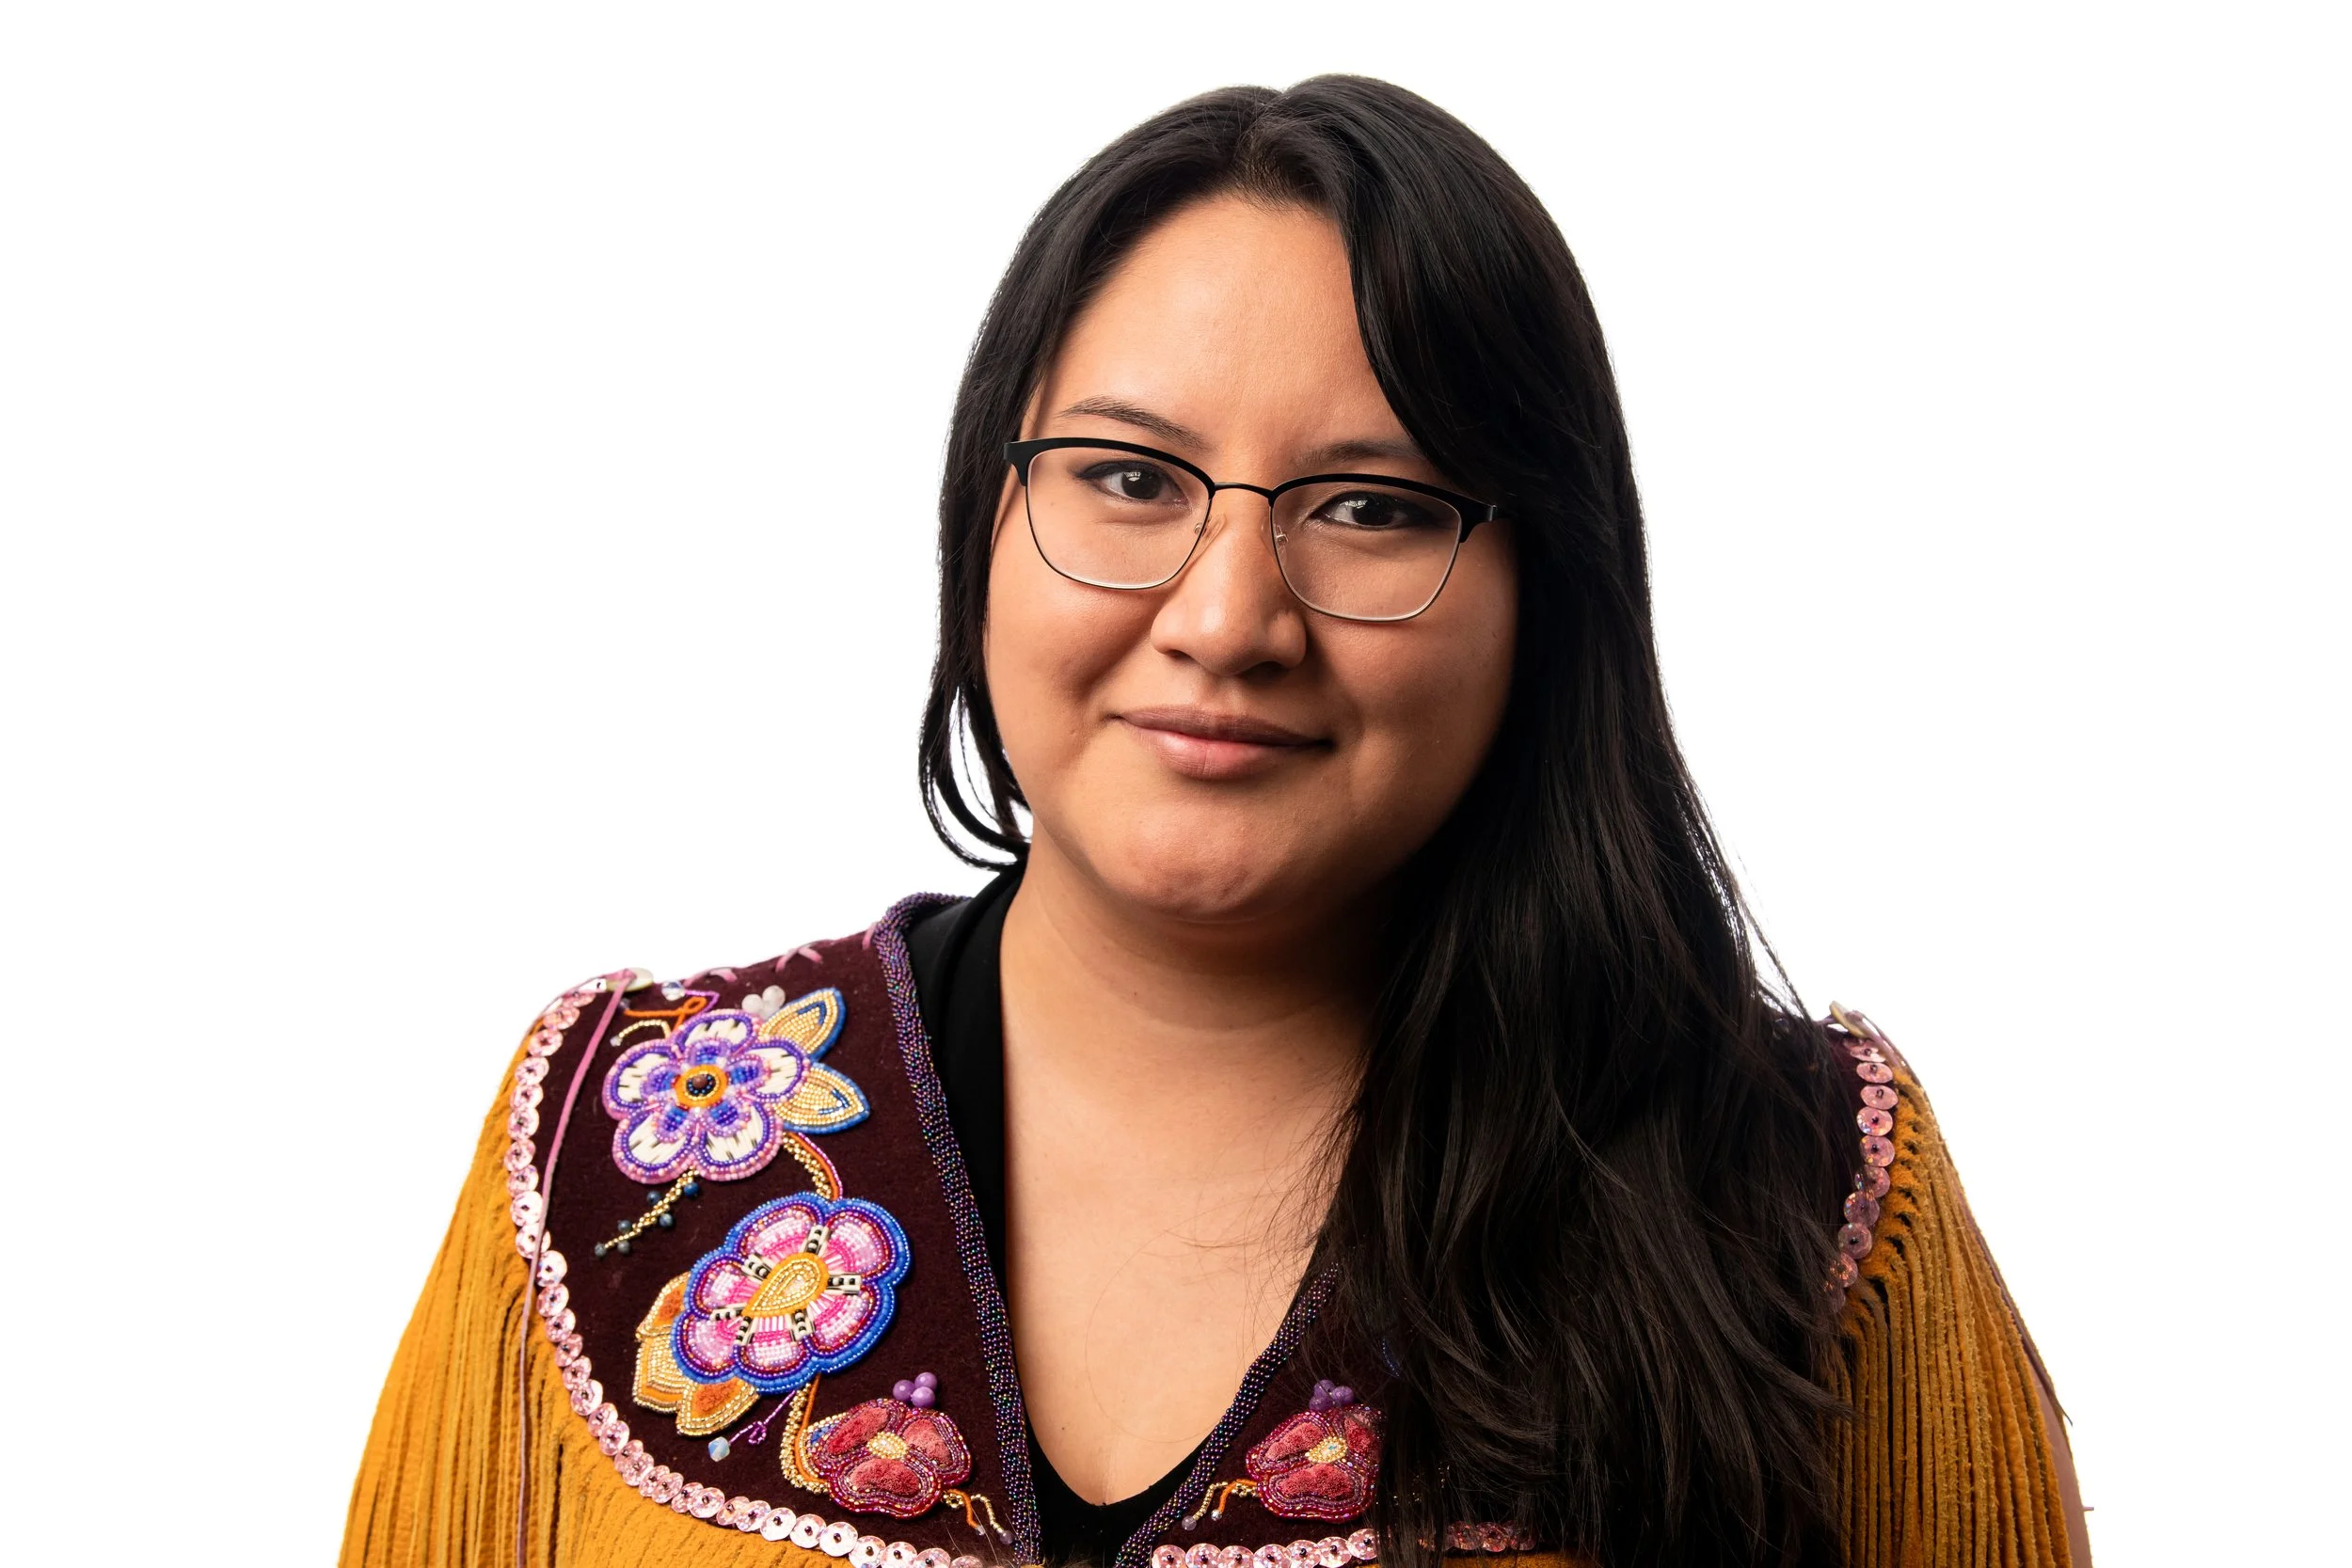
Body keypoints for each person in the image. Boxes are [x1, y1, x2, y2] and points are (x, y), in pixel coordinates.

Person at [342, 76, 2089, 1568]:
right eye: (1128, 478)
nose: (1229, 616)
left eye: (1372, 507)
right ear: (981, 520)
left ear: (1546, 591)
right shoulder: (614, 1145)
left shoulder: (1802, 1192)